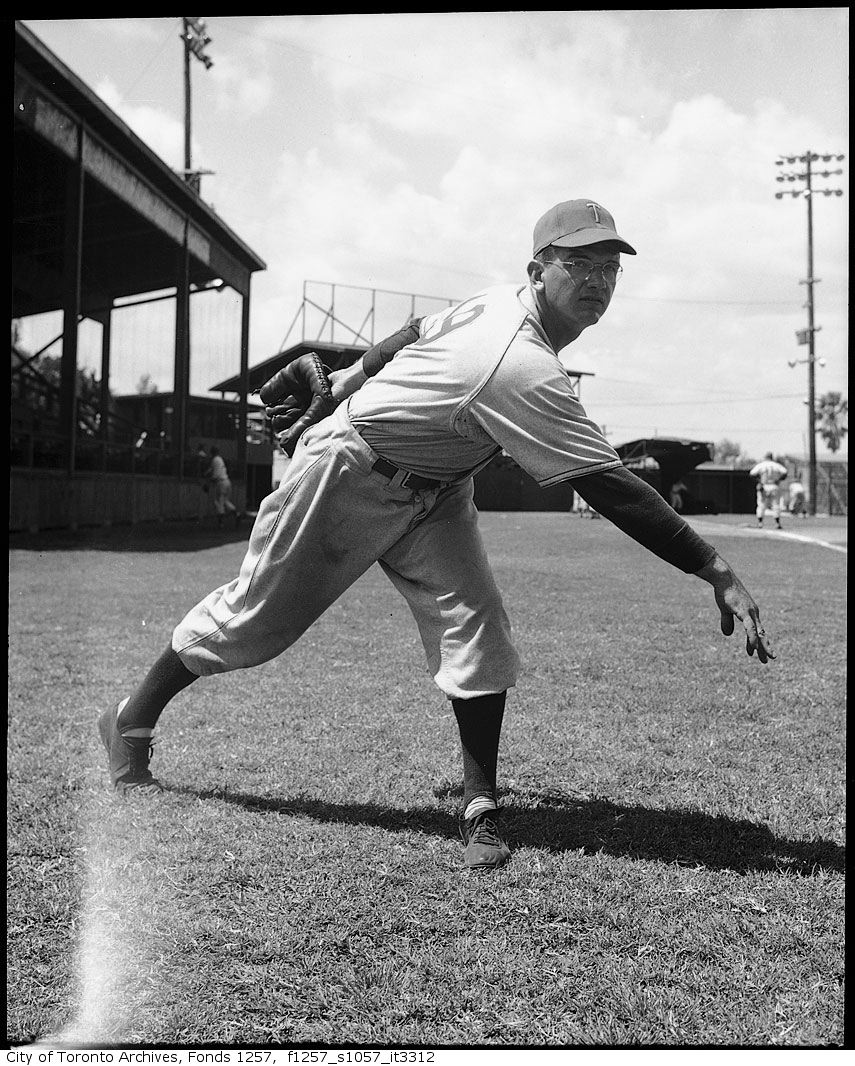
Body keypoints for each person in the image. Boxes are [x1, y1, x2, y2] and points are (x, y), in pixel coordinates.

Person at [98, 198, 776, 872]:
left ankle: (479, 804)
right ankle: (130, 720)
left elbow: (415, 330)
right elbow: (607, 485)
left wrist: (348, 375)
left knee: (476, 624)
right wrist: (713, 568)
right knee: (253, 621)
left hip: (438, 488)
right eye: (579, 263)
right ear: (538, 271)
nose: (596, 280)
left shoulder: (498, 306)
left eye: (608, 266)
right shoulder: (518, 361)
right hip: (349, 472)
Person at [749, 452, 788, 530]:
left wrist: (759, 481)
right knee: (776, 504)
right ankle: (777, 523)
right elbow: (785, 472)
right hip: (774, 485)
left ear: (765, 457)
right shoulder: (776, 465)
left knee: (761, 504)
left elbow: (752, 474)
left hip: (764, 485)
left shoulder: (761, 465)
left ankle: (760, 523)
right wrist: (779, 479)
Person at [205, 446, 239, 529]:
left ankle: (221, 523)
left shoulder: (215, 460)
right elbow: (213, 470)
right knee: (225, 501)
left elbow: (215, 475)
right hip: (227, 481)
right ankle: (236, 514)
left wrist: (208, 483)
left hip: (221, 482)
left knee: (219, 502)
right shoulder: (219, 459)